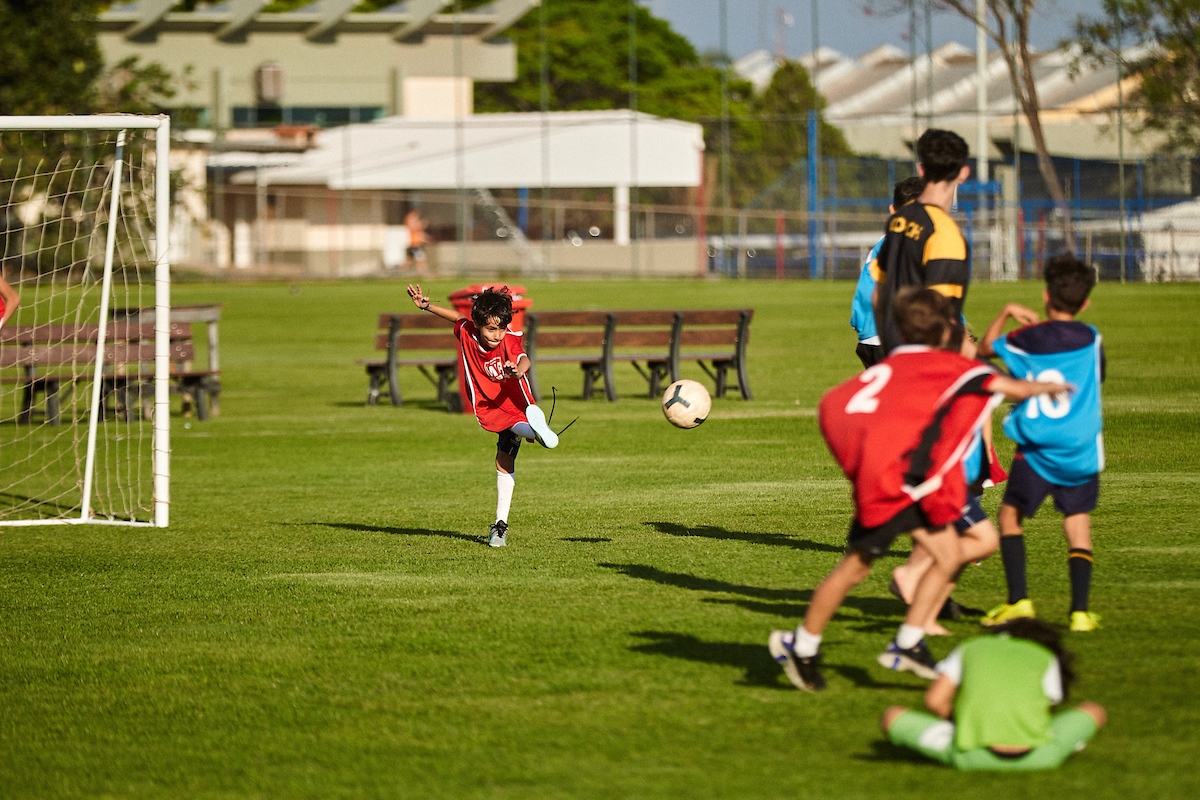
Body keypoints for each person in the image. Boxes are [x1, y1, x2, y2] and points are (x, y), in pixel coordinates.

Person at [768, 288, 1071, 691]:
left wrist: (859, 468)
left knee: (947, 554)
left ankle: (906, 643)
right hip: (898, 488)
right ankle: (801, 644)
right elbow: (1006, 387)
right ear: (945, 330)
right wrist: (1049, 388)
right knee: (856, 568)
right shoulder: (948, 368)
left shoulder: (893, 365)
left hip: (905, 485)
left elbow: (833, 405)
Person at [976, 254, 1105, 632]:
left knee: (1010, 516)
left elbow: (984, 350)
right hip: (1080, 447)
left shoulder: (1023, 339)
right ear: (1085, 304)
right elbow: (1099, 378)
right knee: (1077, 522)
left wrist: (1005, 312)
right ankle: (1080, 612)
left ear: (1046, 296)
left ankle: (1019, 601)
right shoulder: (1091, 338)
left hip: (1036, 448)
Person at [406, 283, 558, 547]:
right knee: (503, 460)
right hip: (496, 405)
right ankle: (533, 432)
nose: (497, 335)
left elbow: (525, 359)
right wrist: (428, 306)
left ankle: (500, 527)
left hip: (512, 403)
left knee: (504, 455)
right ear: (477, 324)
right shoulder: (467, 332)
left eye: (501, 328)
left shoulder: (508, 340)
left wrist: (518, 371)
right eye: (491, 328)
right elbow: (457, 318)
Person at [881, 618, 1106, 770]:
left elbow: (934, 700)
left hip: (969, 756)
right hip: (1041, 757)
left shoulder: (972, 646)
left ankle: (959, 735)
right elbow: (1045, 709)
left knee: (893, 716)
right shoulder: (1042, 655)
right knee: (1093, 710)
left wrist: (961, 723)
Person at [871, 129, 972, 354]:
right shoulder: (944, 233)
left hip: (896, 358)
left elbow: (878, 296)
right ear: (963, 172)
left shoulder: (898, 220)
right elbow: (940, 321)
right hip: (931, 367)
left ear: (921, 169)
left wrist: (891, 349)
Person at [851, 176, 925, 368]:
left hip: (868, 336)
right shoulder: (909, 243)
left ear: (892, 209)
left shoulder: (883, 243)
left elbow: (867, 290)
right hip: (891, 336)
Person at [404, 208, 430, 275]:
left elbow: (419, 233)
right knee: (421, 259)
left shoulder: (414, 221)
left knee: (409, 260)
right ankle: (423, 273)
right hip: (415, 244)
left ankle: (400, 272)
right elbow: (415, 227)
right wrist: (423, 224)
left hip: (417, 243)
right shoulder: (410, 220)